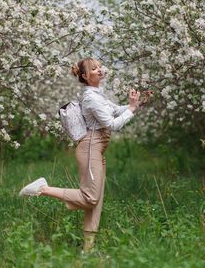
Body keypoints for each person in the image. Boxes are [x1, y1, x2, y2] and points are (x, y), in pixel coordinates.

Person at [19, 57, 140, 253]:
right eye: (94, 69)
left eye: (100, 66)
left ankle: (88, 252)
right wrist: (132, 109)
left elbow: (117, 110)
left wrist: (134, 104)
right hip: (91, 147)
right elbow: (112, 124)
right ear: (85, 76)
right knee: (91, 197)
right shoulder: (91, 98)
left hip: (97, 149)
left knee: (96, 201)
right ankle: (42, 188)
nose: (99, 70)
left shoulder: (98, 95)